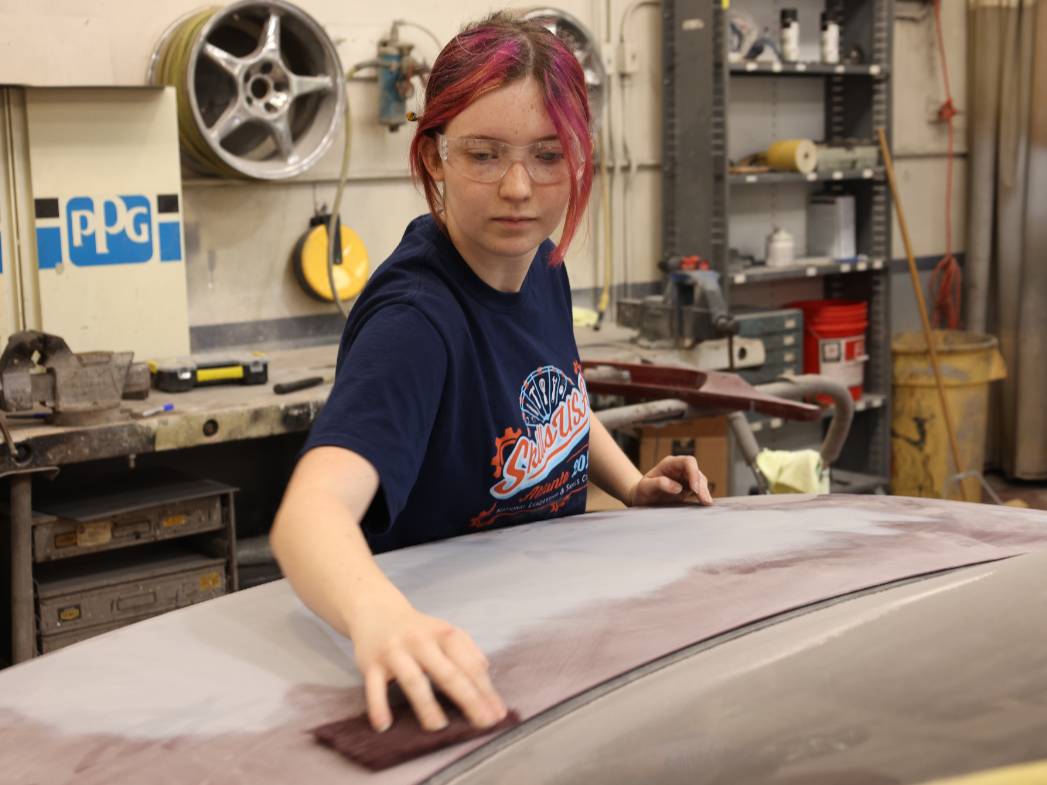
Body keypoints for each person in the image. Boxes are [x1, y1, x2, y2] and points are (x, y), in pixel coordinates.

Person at [270, 11, 713, 737]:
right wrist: (382, 620)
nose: (518, 187)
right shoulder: (417, 320)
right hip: (442, 653)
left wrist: (630, 484)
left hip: (542, 630)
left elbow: (558, 399)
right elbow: (307, 518)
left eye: (547, 155)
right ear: (435, 156)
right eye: (483, 154)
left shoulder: (538, 264)